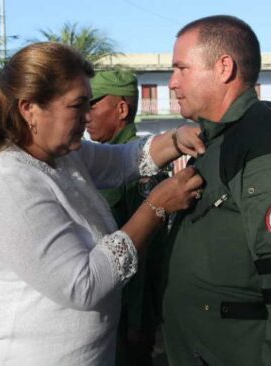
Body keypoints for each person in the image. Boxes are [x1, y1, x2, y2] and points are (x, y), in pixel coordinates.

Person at [0, 42, 204, 365]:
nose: (87, 116)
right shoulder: (7, 182)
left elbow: (122, 161)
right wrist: (156, 207)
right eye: (77, 106)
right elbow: (84, 284)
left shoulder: (58, 152)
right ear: (29, 108)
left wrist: (175, 140)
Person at [161, 15, 271, 365]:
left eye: (182, 69)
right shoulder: (222, 139)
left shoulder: (265, 147)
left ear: (224, 67)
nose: (171, 82)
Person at [89, 70, 166, 365]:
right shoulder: (99, 159)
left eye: (93, 105)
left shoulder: (138, 168)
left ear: (121, 109)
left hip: (126, 313)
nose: (86, 115)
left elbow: (146, 251)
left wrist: (138, 319)